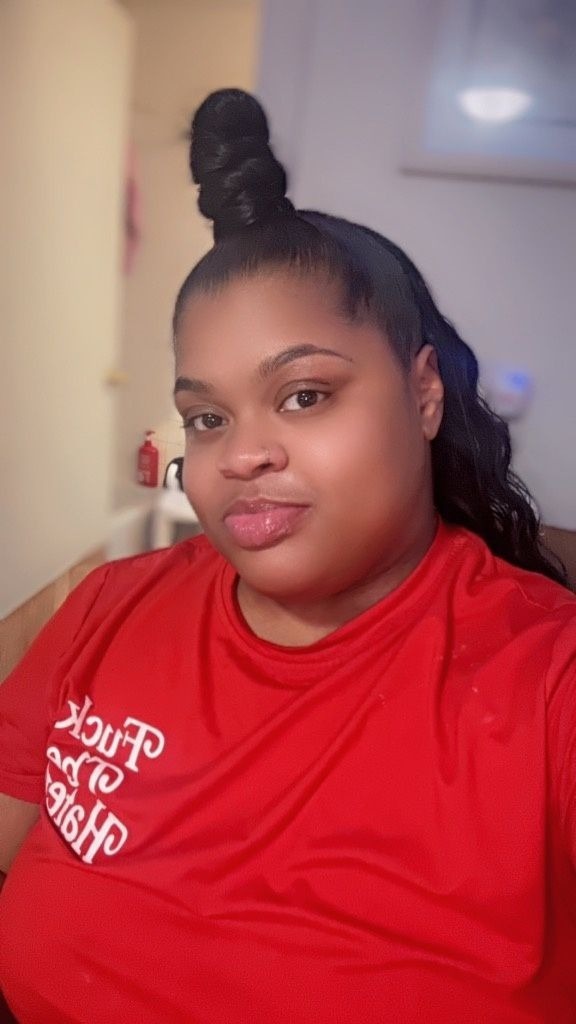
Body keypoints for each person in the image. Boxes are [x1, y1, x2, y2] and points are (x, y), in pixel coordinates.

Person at [0, 89, 575, 1024]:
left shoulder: (546, 679)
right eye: (206, 417)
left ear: (425, 396)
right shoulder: (108, 606)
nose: (241, 456)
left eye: (304, 395)